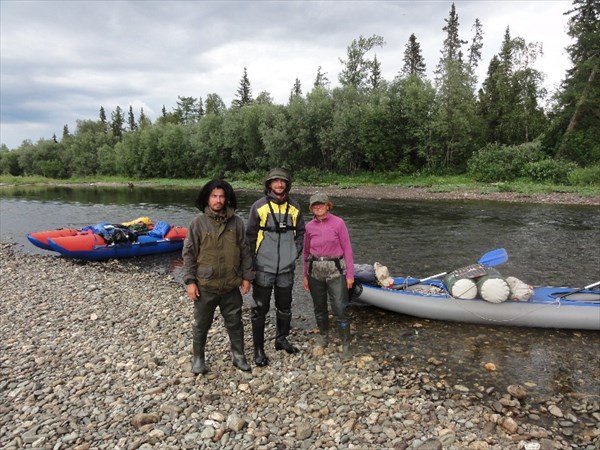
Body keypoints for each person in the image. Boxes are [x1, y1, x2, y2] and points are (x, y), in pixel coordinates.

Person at [182, 179, 254, 375]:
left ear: (227, 199)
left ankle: (238, 355)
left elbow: (246, 252)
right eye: (214, 196)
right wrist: (190, 281)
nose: (218, 200)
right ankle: (198, 358)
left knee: (235, 322)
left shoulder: (237, 222)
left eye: (222, 196)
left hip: (231, 284)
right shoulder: (197, 223)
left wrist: (247, 277)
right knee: (201, 324)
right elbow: (188, 254)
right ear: (207, 198)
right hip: (205, 284)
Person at [246, 168, 306, 367]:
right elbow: (249, 238)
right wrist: (250, 265)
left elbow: (301, 234)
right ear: (269, 185)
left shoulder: (295, 207)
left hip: (286, 269)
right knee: (259, 310)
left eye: (282, 182)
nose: (279, 185)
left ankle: (281, 340)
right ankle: (258, 349)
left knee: (285, 307)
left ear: (287, 184)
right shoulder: (259, 207)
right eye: (275, 182)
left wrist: (293, 254)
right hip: (263, 267)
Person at [302, 192, 354, 358]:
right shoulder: (309, 227)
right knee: (319, 308)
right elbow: (305, 252)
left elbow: (347, 250)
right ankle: (324, 337)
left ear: (328, 205)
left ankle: (346, 343)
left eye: (321, 204)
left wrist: (350, 275)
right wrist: (304, 274)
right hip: (315, 272)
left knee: (340, 307)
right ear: (311, 208)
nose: (318, 207)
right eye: (315, 205)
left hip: (336, 271)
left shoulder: (339, 223)